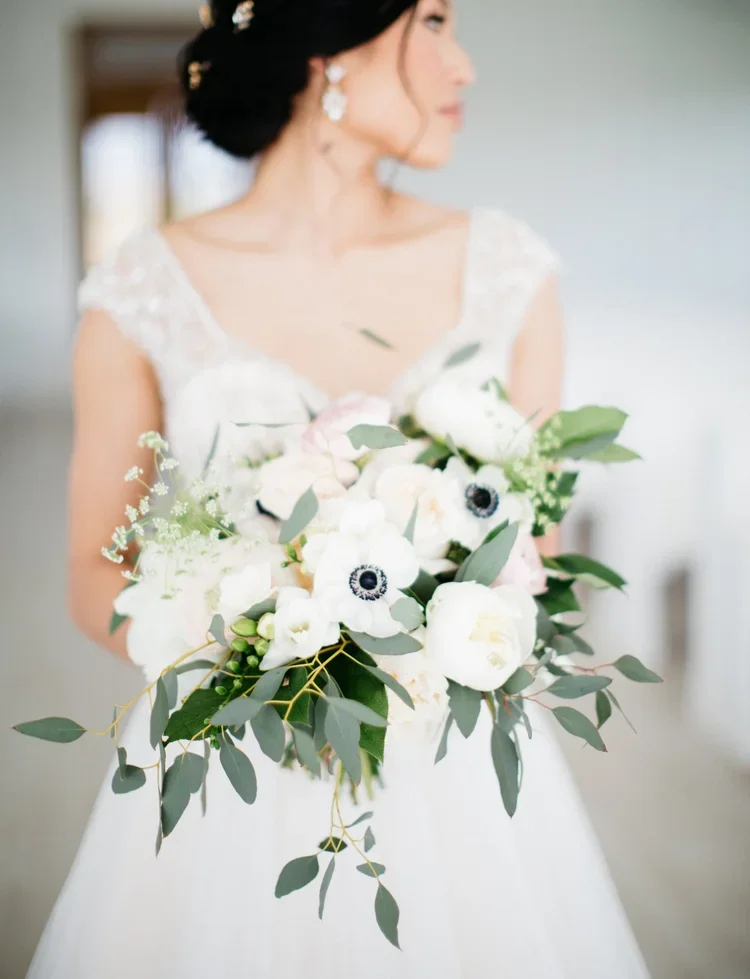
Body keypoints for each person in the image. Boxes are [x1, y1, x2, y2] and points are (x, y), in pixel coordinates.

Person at [27, 1, 650, 975]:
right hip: (236, 763)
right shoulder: (142, 290)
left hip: (451, 766)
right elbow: (87, 569)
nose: (465, 69)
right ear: (328, 46)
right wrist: (264, 673)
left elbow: (544, 554)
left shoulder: (510, 272)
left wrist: (421, 661)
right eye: (436, 22)